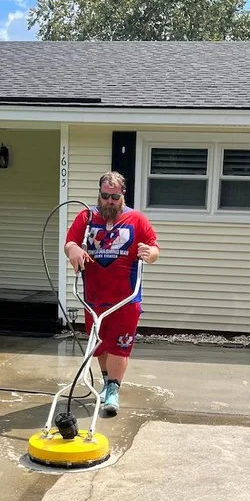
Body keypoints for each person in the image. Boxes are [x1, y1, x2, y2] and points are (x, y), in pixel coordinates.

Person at [64, 171, 160, 416]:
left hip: (126, 297)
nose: (109, 201)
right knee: (100, 345)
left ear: (122, 195)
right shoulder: (86, 218)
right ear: (99, 194)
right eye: (105, 196)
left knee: (120, 345)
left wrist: (149, 253)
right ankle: (107, 382)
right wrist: (73, 250)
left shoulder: (137, 220)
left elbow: (154, 247)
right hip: (93, 298)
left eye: (114, 197)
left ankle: (114, 390)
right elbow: (70, 242)